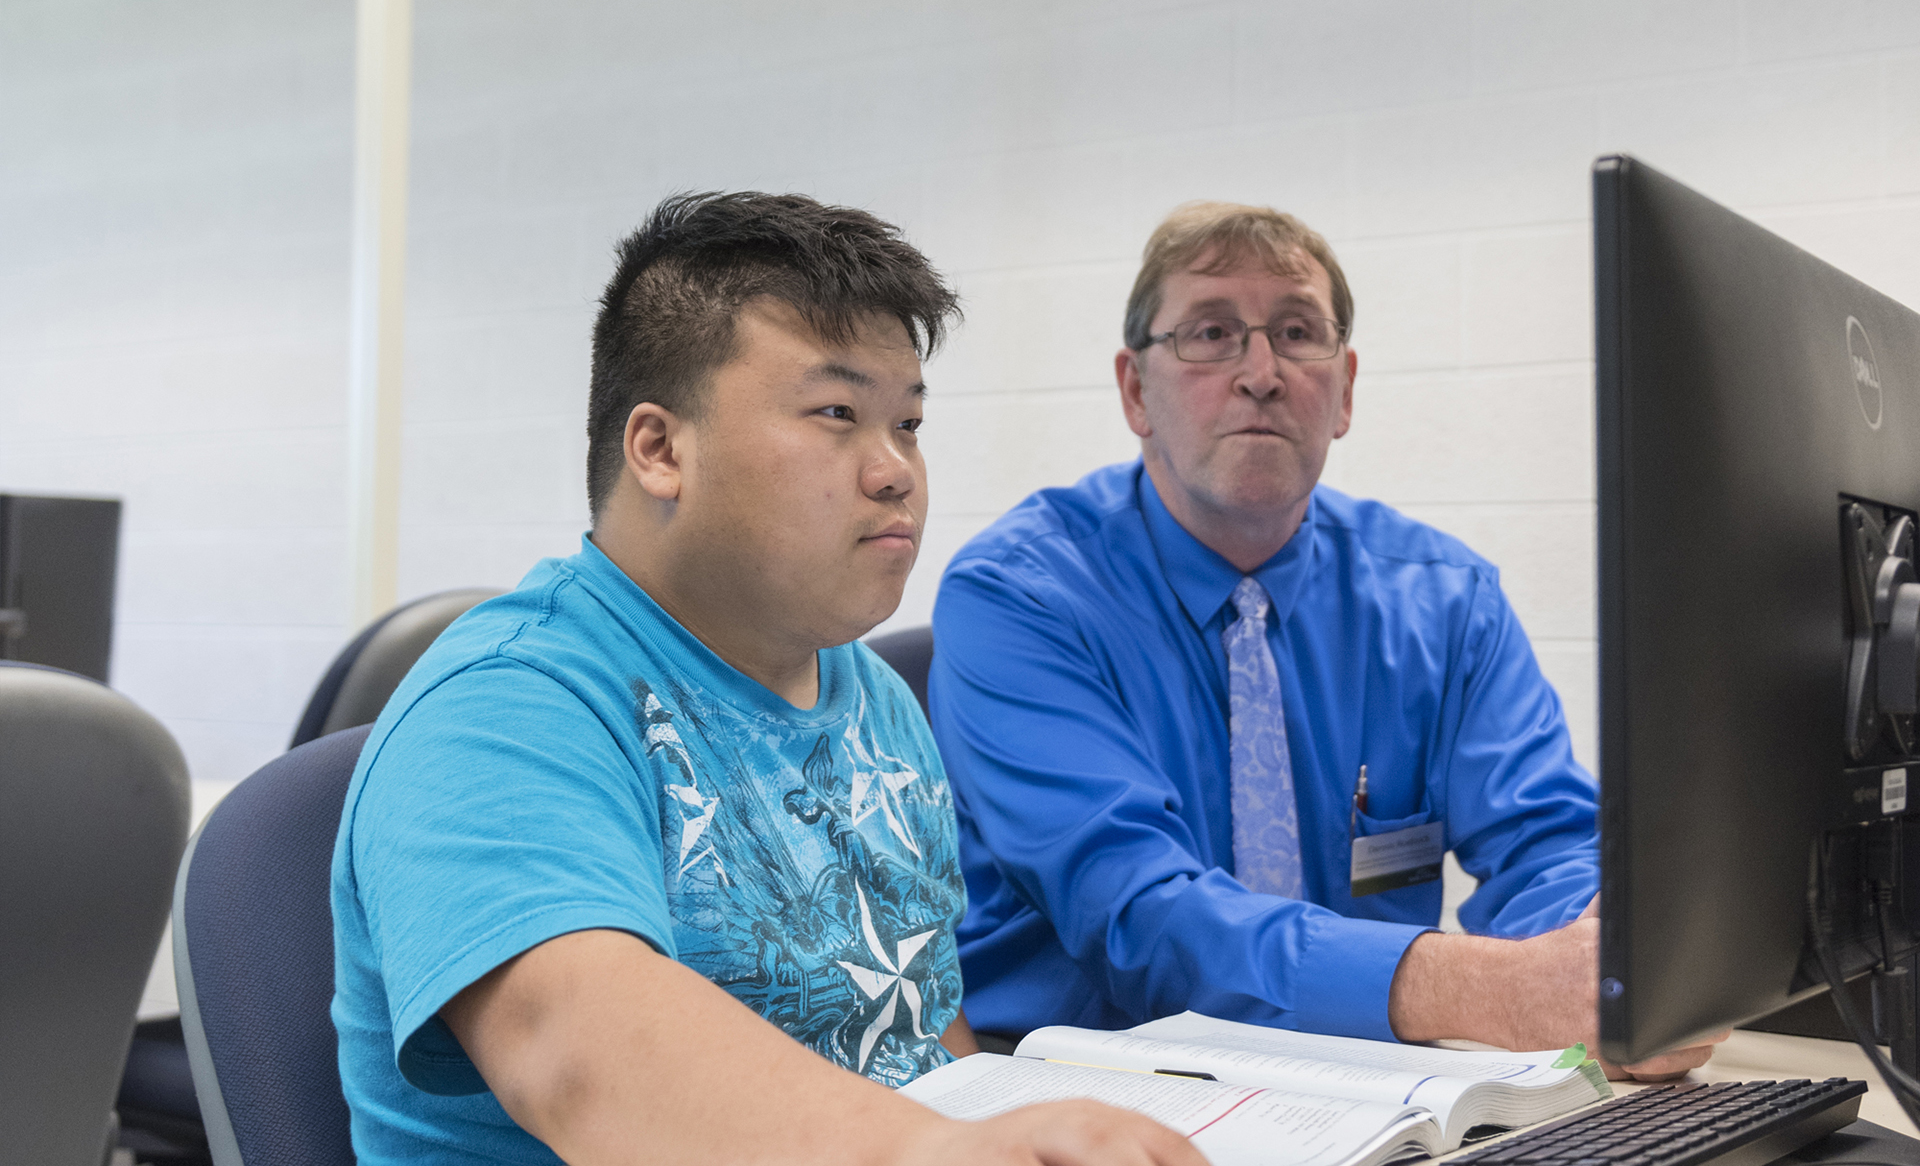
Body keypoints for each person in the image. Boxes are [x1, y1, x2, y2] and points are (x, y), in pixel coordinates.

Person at [331, 193, 1206, 1166]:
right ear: (661, 449)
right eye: (837, 414)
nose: (896, 472)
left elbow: (924, 1035)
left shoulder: (872, 699)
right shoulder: (506, 707)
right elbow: (577, 1054)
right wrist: (931, 1150)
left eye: (908, 421)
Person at [929, 202, 1718, 1078]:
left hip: (1372, 1086)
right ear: (1134, 390)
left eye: (1297, 332)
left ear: (1344, 389)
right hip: (1084, 1084)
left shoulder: (1445, 603)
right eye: (1211, 332)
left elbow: (1547, 841)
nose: (1259, 373)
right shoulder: (1019, 598)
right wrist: (1483, 989)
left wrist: (1604, 963)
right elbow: (1141, 918)